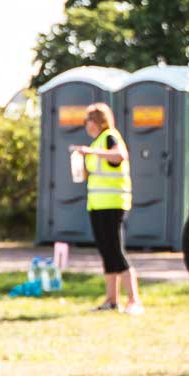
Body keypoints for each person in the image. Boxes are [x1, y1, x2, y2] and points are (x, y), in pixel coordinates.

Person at [69, 101, 142, 314]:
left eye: (88, 121)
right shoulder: (97, 143)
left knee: (117, 251)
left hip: (113, 203)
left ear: (99, 121)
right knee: (106, 252)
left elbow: (120, 156)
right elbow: (89, 175)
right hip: (98, 205)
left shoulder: (110, 137)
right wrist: (81, 161)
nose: (85, 125)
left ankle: (134, 301)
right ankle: (112, 300)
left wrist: (91, 152)